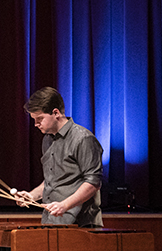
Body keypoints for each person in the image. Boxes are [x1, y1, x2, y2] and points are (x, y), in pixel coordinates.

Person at [14, 87, 103, 227]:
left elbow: (93, 183)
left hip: (81, 225)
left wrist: (65, 205)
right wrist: (32, 196)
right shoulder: (47, 140)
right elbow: (52, 180)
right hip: (52, 223)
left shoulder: (83, 139)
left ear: (56, 113)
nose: (36, 124)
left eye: (40, 119)